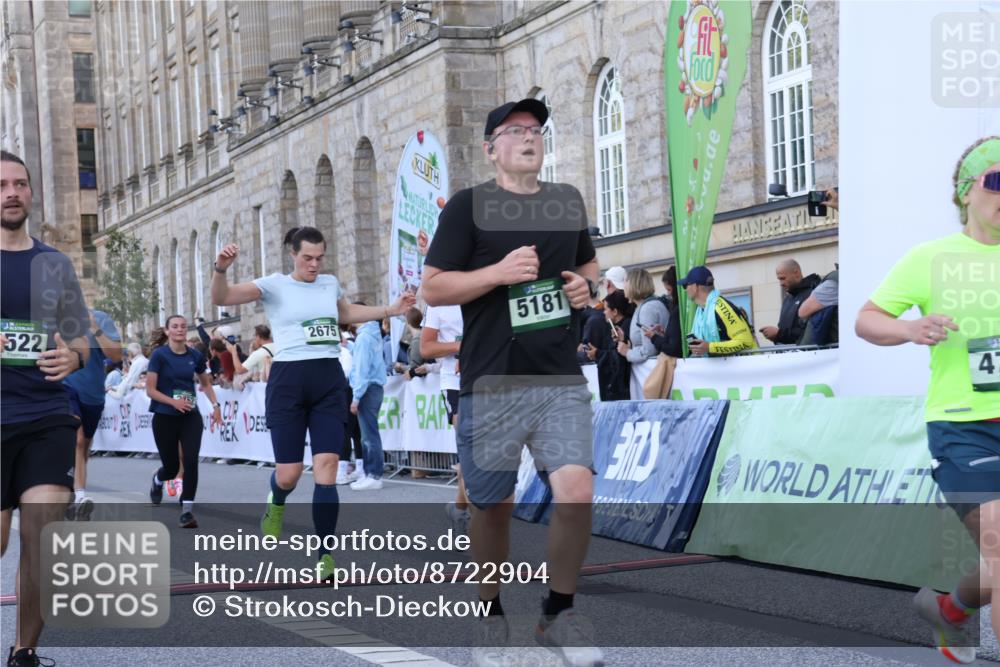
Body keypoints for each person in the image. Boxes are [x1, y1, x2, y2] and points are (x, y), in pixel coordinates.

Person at [422, 98, 603, 667]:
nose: (530, 137)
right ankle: (490, 615)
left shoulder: (564, 201)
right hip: (493, 378)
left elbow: (589, 268)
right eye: (516, 130)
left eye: (536, 130)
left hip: (558, 377)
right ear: (490, 147)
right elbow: (433, 287)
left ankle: (559, 612)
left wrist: (583, 288)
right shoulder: (468, 208)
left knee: (576, 492)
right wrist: (497, 274)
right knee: (492, 506)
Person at [856, 136, 1000, 665]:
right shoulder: (931, 258)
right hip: (965, 428)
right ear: (967, 193)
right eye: (997, 181)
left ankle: (951, 610)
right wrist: (911, 328)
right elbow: (866, 321)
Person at [211, 226, 414, 580]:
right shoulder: (274, 285)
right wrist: (220, 269)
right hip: (289, 382)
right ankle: (276, 501)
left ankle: (325, 555)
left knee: (327, 470)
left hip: (327, 381)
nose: (314, 265)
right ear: (293, 254)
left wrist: (390, 309)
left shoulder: (328, 283)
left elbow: (345, 314)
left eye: (319, 258)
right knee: (288, 475)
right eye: (307, 258)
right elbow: (223, 298)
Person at [2, 150, 91, 667]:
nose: (13, 192)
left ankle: (24, 655)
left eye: (21, 183)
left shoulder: (53, 263)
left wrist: (70, 356)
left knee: (41, 544)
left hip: (45, 415)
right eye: (3, 185)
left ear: (32, 193)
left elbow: (80, 340)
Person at [145, 315, 222, 528]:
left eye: (182, 326)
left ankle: (187, 511)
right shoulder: (159, 356)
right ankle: (158, 480)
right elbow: (150, 390)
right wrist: (173, 402)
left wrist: (216, 406)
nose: (179, 330)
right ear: (168, 331)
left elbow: (206, 384)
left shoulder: (195, 355)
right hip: (164, 416)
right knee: (170, 468)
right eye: (175, 327)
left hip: (190, 416)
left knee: (190, 460)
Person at [63, 309, 122, 521]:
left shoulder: (100, 318)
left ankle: (71, 489)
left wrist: (95, 329)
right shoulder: (51, 317)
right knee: (77, 440)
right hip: (65, 387)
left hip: (93, 394)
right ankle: (80, 496)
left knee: (85, 445)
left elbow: (116, 355)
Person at [421, 304, 470, 537]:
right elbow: (426, 348)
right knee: (469, 452)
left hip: (490, 376)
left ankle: (459, 509)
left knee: (482, 456)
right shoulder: (439, 301)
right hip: (455, 382)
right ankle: (470, 516)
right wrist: (462, 346)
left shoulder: (486, 285)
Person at [348, 302, 388, 491]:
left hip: (367, 389)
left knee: (369, 435)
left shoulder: (364, 338)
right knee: (368, 434)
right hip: (372, 388)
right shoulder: (372, 334)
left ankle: (374, 474)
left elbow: (362, 370)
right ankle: (370, 473)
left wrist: (356, 397)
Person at [680, 265, 758, 357]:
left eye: (685, 286)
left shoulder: (720, 307)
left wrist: (710, 347)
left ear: (695, 286)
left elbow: (745, 341)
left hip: (749, 367)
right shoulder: (701, 310)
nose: (685, 290)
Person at [759, 259, 821, 345]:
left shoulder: (812, 294)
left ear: (797, 273)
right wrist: (776, 337)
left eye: (783, 278)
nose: (781, 283)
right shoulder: (788, 298)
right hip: (787, 354)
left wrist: (779, 334)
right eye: (779, 279)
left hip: (806, 355)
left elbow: (811, 330)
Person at [615, 268, 669, 365]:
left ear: (634, 284)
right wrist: (624, 340)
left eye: (625, 281)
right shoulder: (644, 306)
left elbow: (649, 351)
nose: (623, 286)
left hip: (652, 371)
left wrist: (627, 352)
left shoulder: (648, 308)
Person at [588, 291, 632, 401]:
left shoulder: (626, 326)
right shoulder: (613, 327)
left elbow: (617, 355)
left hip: (622, 387)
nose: (604, 312)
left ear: (615, 312)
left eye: (606, 309)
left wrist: (597, 353)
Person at [644, 266, 683, 358]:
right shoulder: (680, 309)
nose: (668, 294)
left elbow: (673, 348)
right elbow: (676, 339)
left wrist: (654, 337)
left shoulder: (677, 311)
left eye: (669, 290)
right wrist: (666, 333)